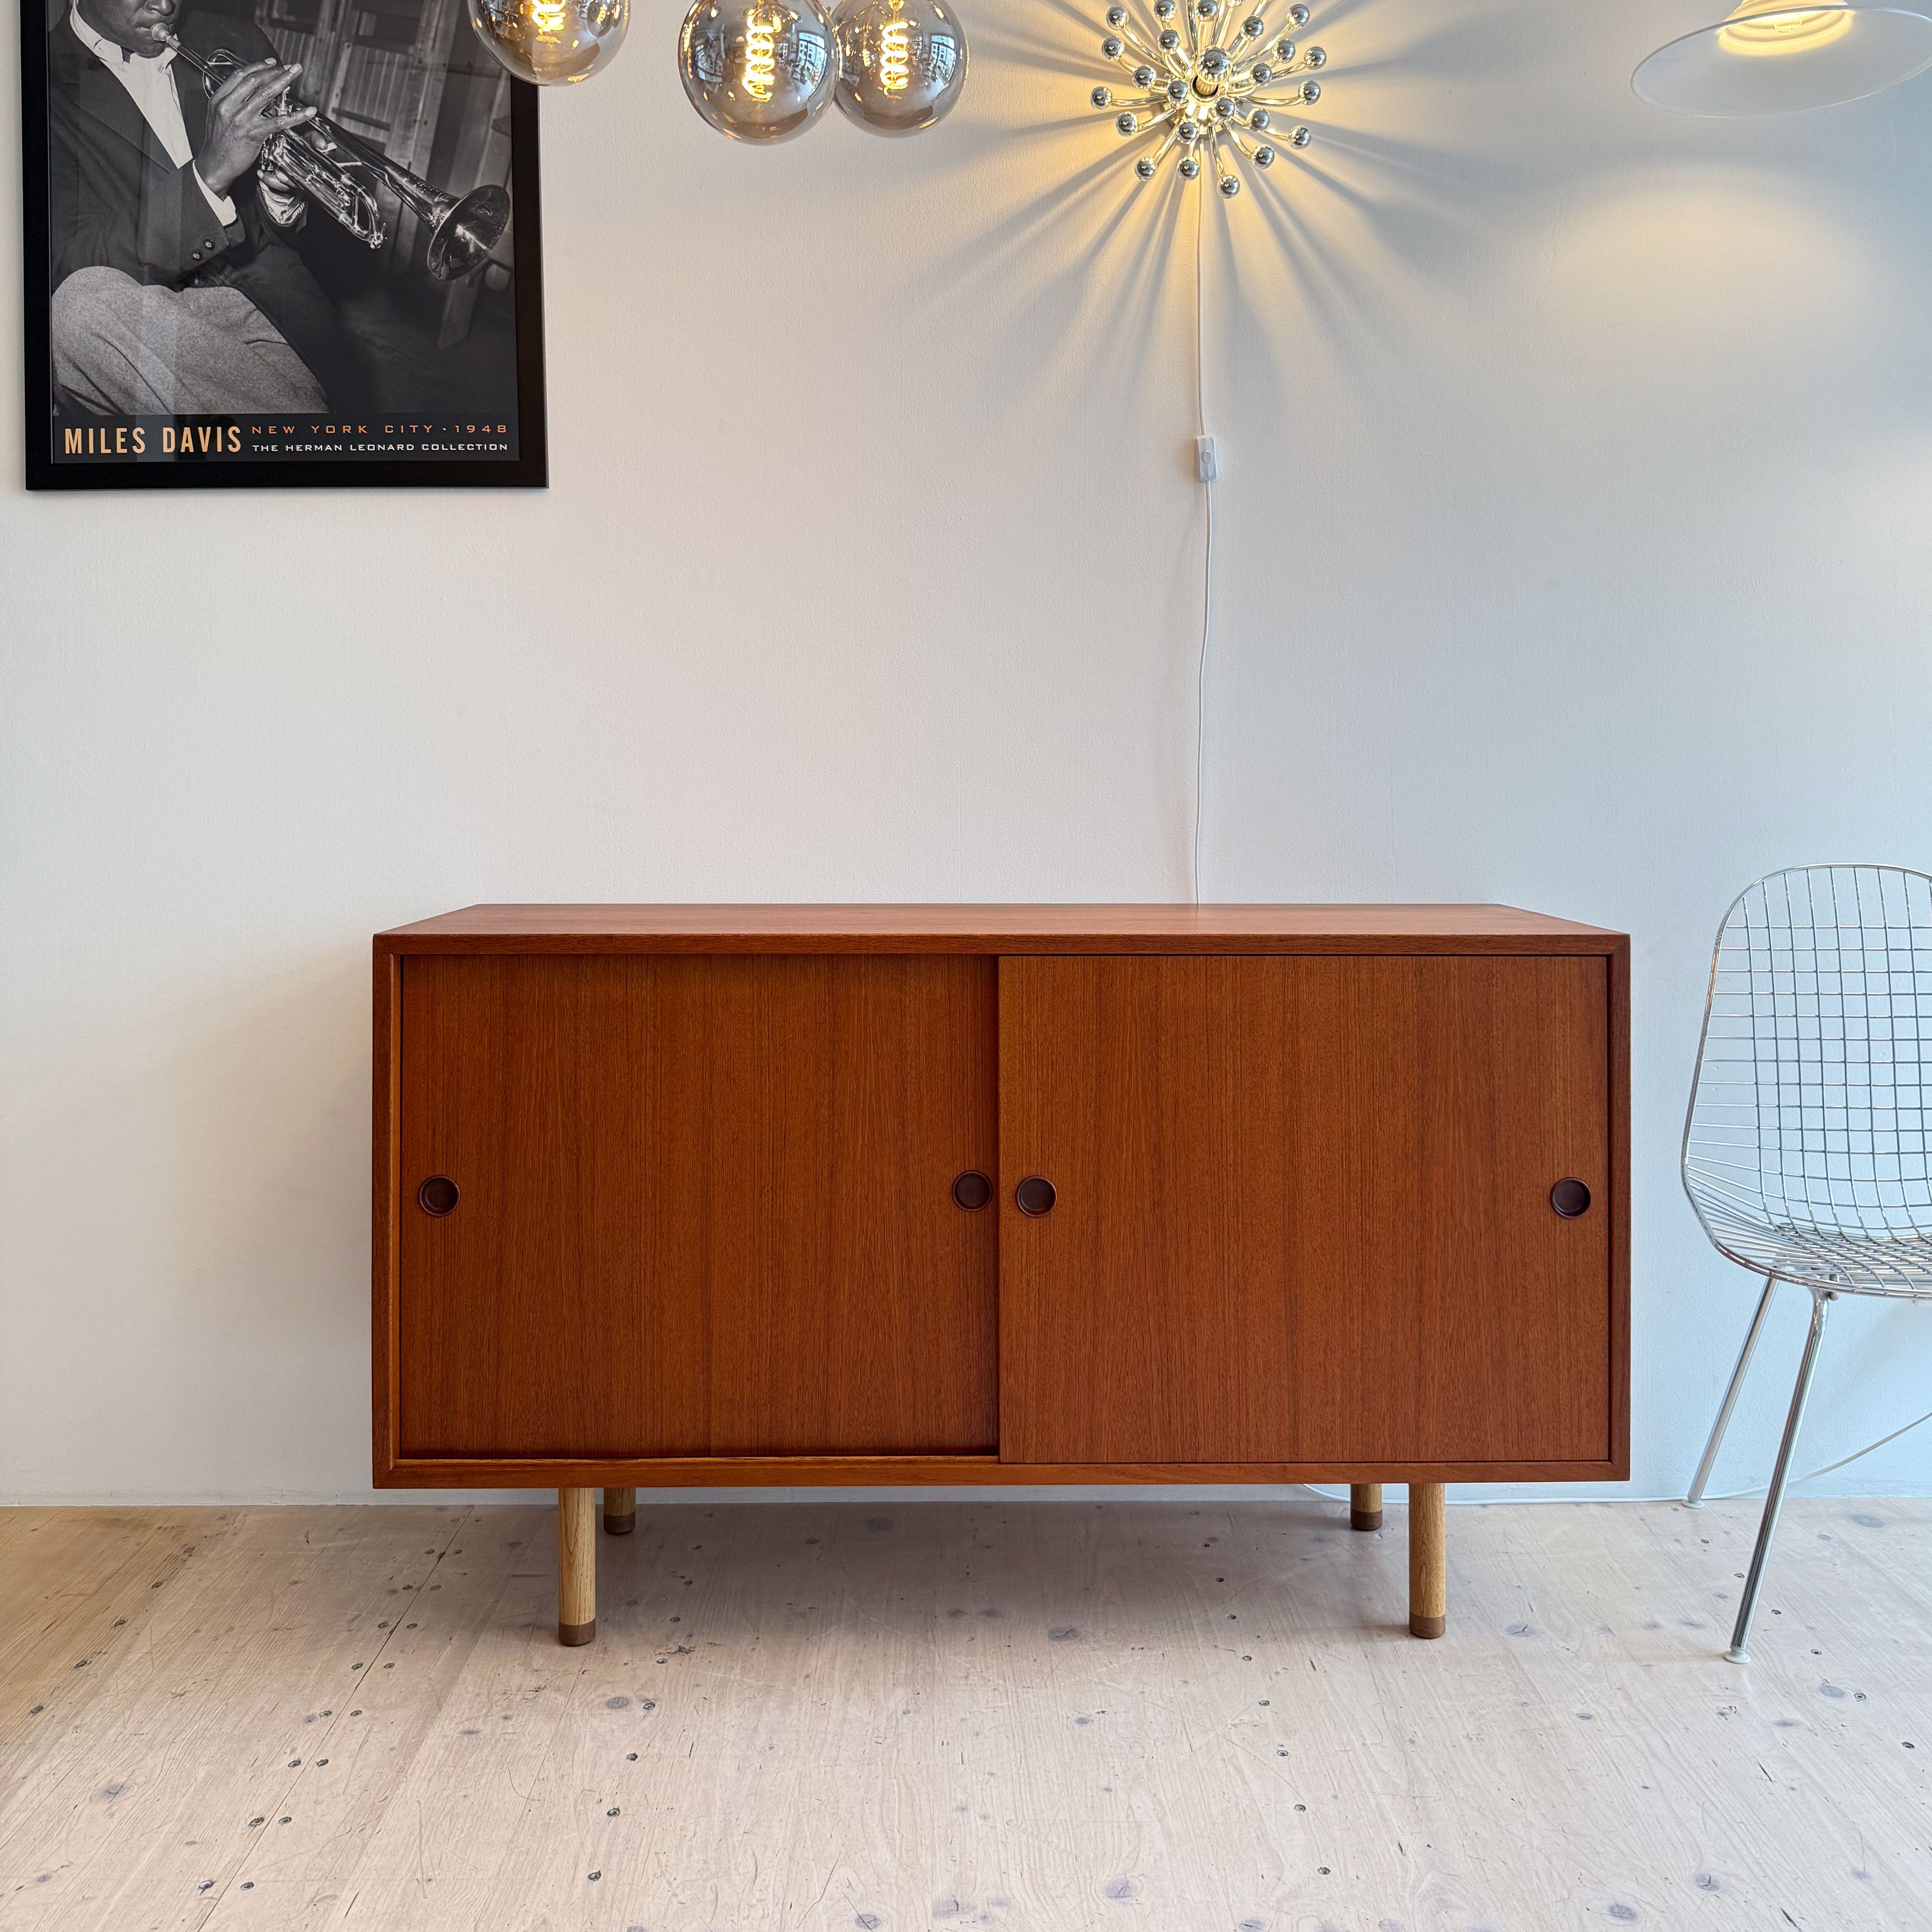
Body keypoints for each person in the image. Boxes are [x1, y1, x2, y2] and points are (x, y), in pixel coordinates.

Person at [46, 0, 348, 413]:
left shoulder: (237, 41)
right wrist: (207, 177)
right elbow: (70, 261)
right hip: (133, 323)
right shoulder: (34, 85)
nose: (167, 5)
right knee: (76, 308)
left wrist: (281, 193)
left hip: (267, 313)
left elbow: (284, 239)